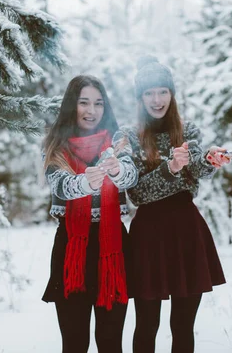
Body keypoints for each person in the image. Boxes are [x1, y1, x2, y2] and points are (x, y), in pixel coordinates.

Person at [117, 56, 230, 353]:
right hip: (148, 235)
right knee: (146, 325)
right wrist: (170, 170)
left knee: (182, 326)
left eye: (163, 91)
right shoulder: (130, 135)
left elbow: (194, 178)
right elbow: (136, 195)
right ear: (140, 98)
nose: (157, 99)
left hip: (186, 232)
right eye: (149, 93)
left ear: (172, 94)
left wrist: (209, 161)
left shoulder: (188, 131)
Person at [42, 75, 138, 353]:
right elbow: (60, 183)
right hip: (72, 246)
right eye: (84, 102)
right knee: (74, 343)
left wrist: (118, 170)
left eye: (98, 103)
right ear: (72, 105)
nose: (91, 110)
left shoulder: (118, 142)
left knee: (110, 343)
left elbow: (131, 176)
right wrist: (86, 182)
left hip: (113, 249)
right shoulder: (57, 145)